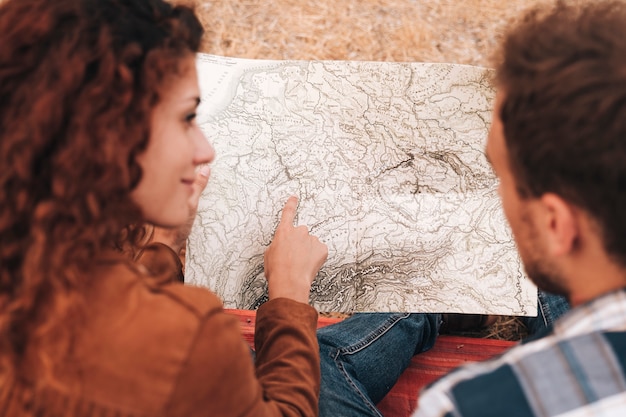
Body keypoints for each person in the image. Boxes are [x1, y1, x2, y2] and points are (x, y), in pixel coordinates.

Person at [0, 0, 329, 416]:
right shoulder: (189, 342)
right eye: (186, 117)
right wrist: (289, 295)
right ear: (106, 136)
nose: (204, 148)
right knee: (333, 363)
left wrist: (165, 249)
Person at [409, 1, 626, 415]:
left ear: (555, 223)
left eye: (501, 177)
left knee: (325, 364)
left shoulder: (467, 406)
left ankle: (416, 315)